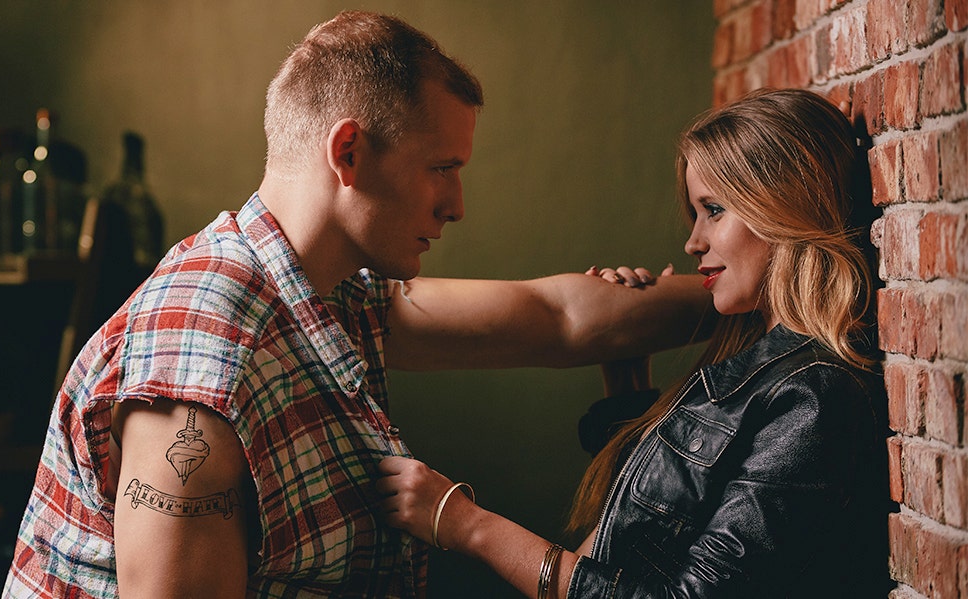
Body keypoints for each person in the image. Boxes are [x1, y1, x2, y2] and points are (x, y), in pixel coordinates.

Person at [3, 10, 712, 599]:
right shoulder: (204, 352)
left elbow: (556, 318)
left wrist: (764, 284)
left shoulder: (328, 292)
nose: (457, 205)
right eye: (443, 169)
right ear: (349, 152)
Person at [378, 88, 893, 598]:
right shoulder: (766, 367)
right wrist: (625, 372)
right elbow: (649, 535)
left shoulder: (813, 395)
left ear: (785, 203)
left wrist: (468, 526)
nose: (693, 242)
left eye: (713, 209)